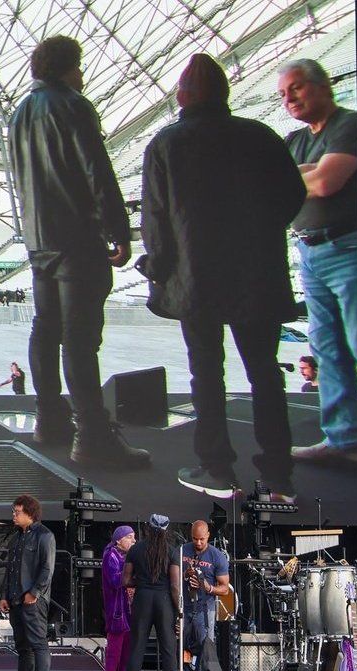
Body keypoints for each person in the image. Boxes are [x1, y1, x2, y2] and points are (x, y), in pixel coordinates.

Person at [139, 54, 306, 501]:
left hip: (196, 283)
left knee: (206, 374)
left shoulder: (166, 144)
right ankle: (278, 477)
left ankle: (217, 469)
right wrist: (263, 232)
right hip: (258, 277)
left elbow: (155, 220)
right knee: (266, 373)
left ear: (183, 96)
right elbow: (293, 194)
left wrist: (157, 267)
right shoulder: (261, 136)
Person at [6, 36, 148, 469]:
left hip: (39, 239)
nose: (83, 76)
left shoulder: (19, 114)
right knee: (82, 337)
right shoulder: (71, 104)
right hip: (75, 238)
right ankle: (92, 436)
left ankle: (49, 419)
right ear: (69, 68)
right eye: (80, 67)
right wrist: (118, 229)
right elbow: (96, 170)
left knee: (46, 328)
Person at [279, 59, 357, 467]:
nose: (288, 98)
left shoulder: (348, 124)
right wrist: (308, 173)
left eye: (295, 87)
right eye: (282, 93)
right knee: (328, 348)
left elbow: (329, 181)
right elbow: (269, 184)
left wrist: (303, 177)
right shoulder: (295, 140)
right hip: (309, 253)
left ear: (322, 85)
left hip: (348, 248)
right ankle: (344, 438)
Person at [0, 494, 56, 671]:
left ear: (30, 514)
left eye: (18, 512)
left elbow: (47, 568)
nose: (14, 516)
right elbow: (10, 570)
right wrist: (4, 595)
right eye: (14, 512)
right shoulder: (16, 537)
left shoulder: (44, 535)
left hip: (33, 599)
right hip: (15, 598)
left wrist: (34, 592)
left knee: (38, 642)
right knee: (22, 645)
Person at [124, 515, 182, 671]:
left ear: (148, 529)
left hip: (142, 599)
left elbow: (125, 580)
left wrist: (141, 582)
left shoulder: (135, 549)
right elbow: (174, 586)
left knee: (137, 645)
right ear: (166, 531)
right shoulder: (172, 552)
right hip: (164, 601)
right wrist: (179, 609)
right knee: (168, 647)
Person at [180, 520, 232, 671]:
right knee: (186, 650)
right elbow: (170, 578)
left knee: (206, 649)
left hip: (205, 609)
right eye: (195, 539)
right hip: (184, 607)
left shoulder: (217, 556)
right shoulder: (182, 551)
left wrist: (209, 588)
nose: (198, 543)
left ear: (208, 535)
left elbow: (225, 588)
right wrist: (185, 575)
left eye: (202, 539)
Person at [100, 525, 136, 671]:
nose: (133, 540)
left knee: (124, 660)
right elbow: (116, 580)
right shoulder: (110, 556)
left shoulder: (125, 557)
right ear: (119, 539)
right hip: (117, 616)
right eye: (129, 537)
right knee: (113, 659)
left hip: (127, 616)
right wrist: (132, 572)